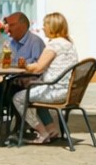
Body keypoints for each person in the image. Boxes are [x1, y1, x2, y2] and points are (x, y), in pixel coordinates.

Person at [12, 12, 79, 144]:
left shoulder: (54, 45)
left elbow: (38, 67)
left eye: (45, 25)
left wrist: (24, 66)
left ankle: (42, 133)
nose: (43, 28)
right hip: (68, 91)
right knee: (33, 92)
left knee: (18, 98)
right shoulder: (69, 44)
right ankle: (51, 129)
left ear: (53, 27)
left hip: (55, 91)